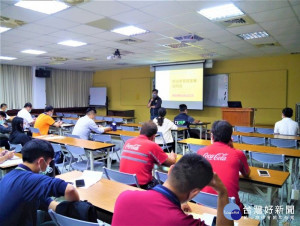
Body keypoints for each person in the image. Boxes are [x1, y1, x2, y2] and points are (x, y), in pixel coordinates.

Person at [112, 154, 232, 226]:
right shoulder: (182, 222)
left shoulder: (124, 197)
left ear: (170, 171)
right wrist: (223, 192)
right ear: (194, 192)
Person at [0, 139, 80, 226]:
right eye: (48, 163)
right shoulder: (31, 179)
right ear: (41, 161)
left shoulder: (9, 176)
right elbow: (69, 189)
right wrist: (78, 210)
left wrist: (63, 209)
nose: (48, 166)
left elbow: (46, 202)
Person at [197, 120, 250, 213]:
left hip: (202, 206)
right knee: (245, 214)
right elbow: (246, 174)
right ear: (231, 138)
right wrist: (232, 147)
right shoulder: (238, 154)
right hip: (230, 209)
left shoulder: (200, 152)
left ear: (212, 136)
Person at [119, 121, 177, 189]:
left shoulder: (128, 142)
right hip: (141, 185)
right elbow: (171, 163)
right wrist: (173, 156)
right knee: (168, 187)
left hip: (123, 182)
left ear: (140, 131)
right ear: (154, 136)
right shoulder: (152, 145)